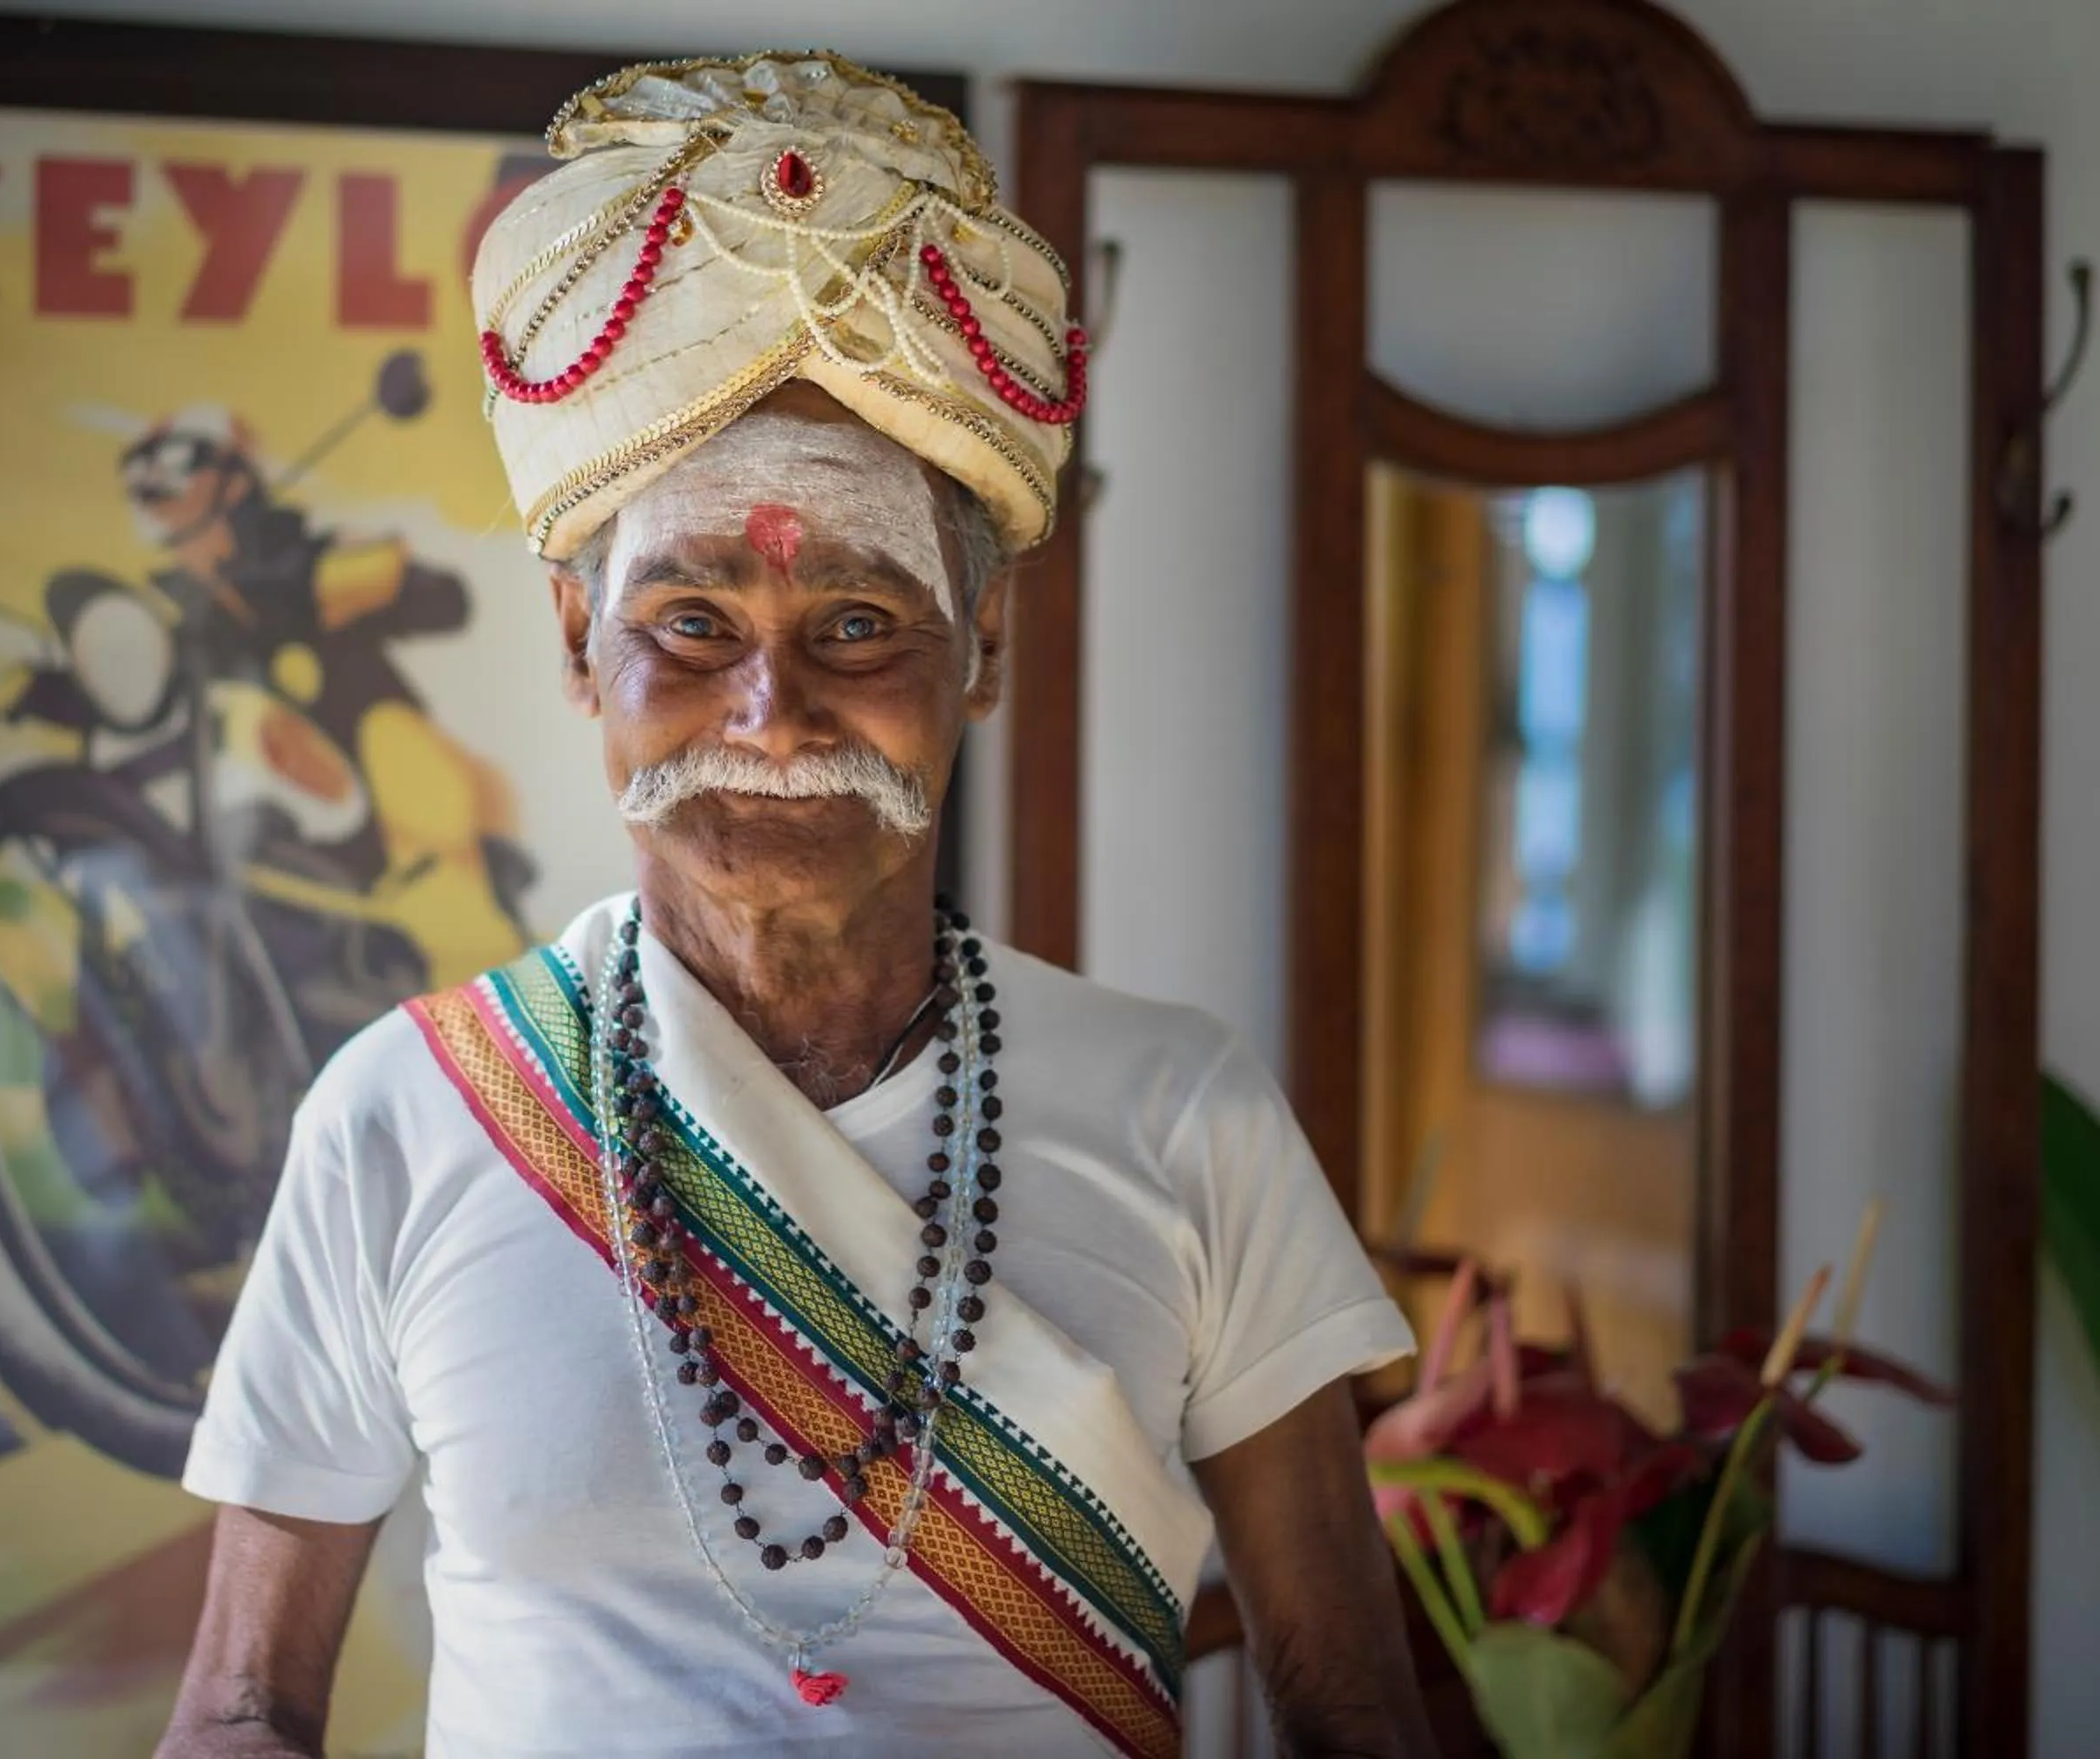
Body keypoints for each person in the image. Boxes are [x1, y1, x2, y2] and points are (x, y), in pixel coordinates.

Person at [160, 53, 1433, 1759]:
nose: (772, 715)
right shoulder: (405, 1116)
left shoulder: (1186, 1114)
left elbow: (1356, 1710)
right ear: (573, 647)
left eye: (855, 626)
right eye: (690, 623)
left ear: (980, 654)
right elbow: (242, 1707)